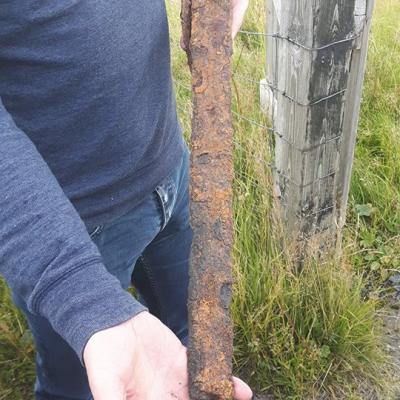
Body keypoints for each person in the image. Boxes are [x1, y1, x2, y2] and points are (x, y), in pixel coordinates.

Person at [0, 1, 252, 399]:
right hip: (69, 230)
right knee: (80, 384)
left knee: (188, 345)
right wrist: (79, 293)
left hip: (171, 168)